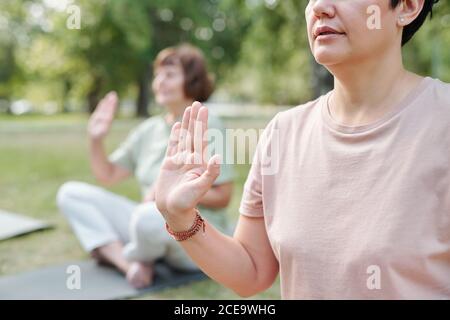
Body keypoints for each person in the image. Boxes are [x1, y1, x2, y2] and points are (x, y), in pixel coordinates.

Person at [153, 0, 449, 299]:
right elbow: (252, 271)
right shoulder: (282, 132)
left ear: (408, 6)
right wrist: (180, 217)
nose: (319, 6)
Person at [57, 44, 234, 289]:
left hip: (192, 233)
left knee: (147, 215)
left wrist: (172, 195)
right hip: (149, 222)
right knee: (70, 193)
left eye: (170, 75)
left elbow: (224, 197)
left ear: (192, 80)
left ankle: (127, 253)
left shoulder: (208, 122)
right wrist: (95, 138)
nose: (160, 81)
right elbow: (107, 175)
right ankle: (131, 264)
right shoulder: (147, 130)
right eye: (158, 75)